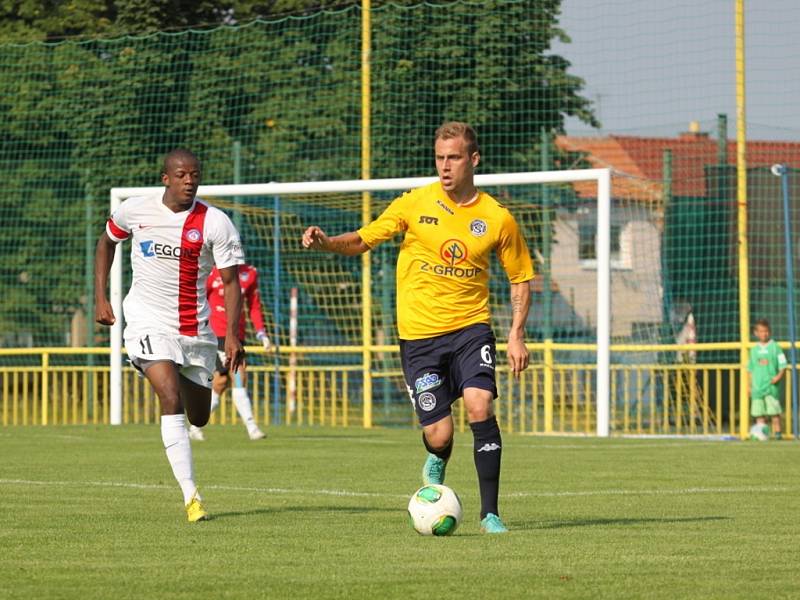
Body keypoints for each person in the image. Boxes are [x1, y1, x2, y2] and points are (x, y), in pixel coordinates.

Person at [302, 122, 533, 534]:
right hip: (419, 338)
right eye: (440, 158)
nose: (445, 167)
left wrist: (516, 334)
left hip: (470, 329)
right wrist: (327, 244)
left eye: (455, 158)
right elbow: (365, 238)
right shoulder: (415, 203)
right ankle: (438, 455)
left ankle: (490, 513)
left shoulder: (497, 218)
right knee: (440, 434)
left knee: (481, 405)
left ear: (473, 160)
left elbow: (520, 277)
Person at [95, 148, 245, 522]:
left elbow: (231, 283)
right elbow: (106, 242)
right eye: (181, 175)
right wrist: (100, 296)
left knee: (199, 417)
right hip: (147, 321)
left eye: (195, 175)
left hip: (196, 332)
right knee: (169, 394)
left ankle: (174, 367)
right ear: (166, 178)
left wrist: (232, 336)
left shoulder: (215, 222)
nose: (189, 181)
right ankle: (191, 496)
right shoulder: (135, 210)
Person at [188, 263, 269, 441]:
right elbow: (197, 299)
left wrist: (261, 332)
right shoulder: (211, 272)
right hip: (216, 334)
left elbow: (254, 306)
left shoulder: (250, 273)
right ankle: (252, 427)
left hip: (237, 335)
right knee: (239, 375)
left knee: (220, 382)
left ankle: (194, 426)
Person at [747, 318, 787, 440]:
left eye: (766, 331)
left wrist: (777, 377)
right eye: (761, 331)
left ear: (769, 332)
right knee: (759, 412)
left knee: (774, 412)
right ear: (756, 333)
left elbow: (783, 365)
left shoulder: (775, 347)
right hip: (757, 387)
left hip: (771, 386)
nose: (764, 334)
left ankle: (778, 434)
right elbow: (750, 369)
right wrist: (750, 385)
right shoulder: (753, 351)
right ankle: (762, 434)